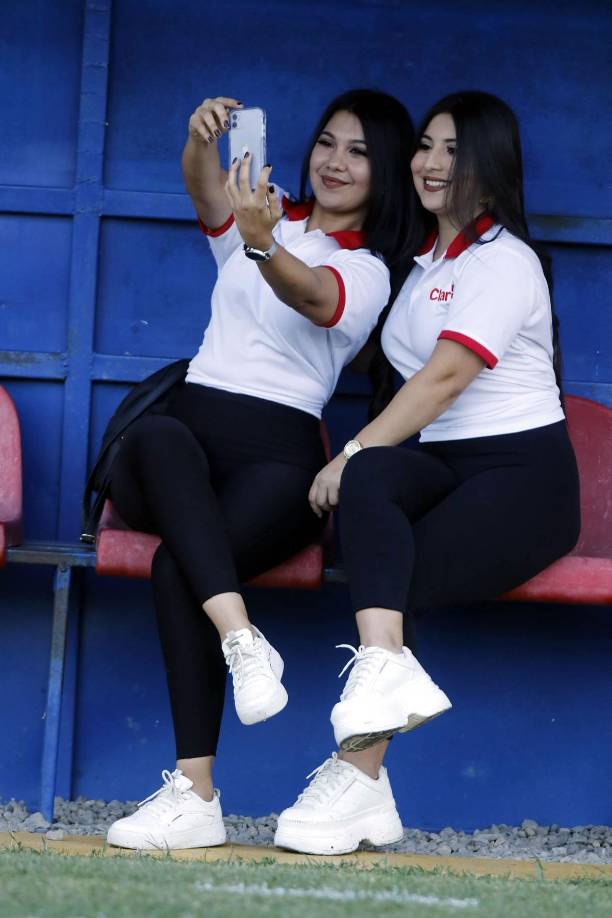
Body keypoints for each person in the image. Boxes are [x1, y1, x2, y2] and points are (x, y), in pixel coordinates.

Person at [105, 89, 417, 849]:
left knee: (183, 568)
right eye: (328, 144)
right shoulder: (266, 211)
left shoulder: (369, 268)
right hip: (191, 439)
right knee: (157, 439)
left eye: (359, 153)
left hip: (278, 459)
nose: (336, 162)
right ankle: (244, 639)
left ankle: (195, 795)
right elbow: (202, 185)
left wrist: (261, 244)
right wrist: (197, 135)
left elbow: (313, 297)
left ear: (384, 176)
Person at [275, 90, 581, 856]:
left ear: (489, 164)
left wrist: (347, 452)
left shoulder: (504, 261)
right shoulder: (422, 265)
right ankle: (368, 764)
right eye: (424, 146)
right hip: (446, 465)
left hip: (525, 481)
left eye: (452, 149)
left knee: (384, 545)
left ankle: (359, 781)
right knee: (375, 487)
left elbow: (443, 380)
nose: (431, 163)